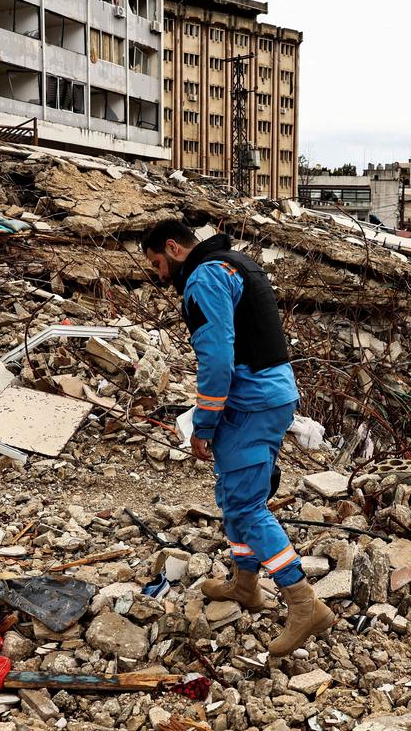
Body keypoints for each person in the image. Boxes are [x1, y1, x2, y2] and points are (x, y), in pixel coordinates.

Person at [141, 220, 334, 656]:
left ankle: (304, 603)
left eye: (157, 263)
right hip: (267, 394)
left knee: (245, 505)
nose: (159, 275)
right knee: (235, 495)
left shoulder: (205, 276)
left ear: (172, 248)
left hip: (250, 401)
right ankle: (246, 583)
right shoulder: (236, 263)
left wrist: (204, 423)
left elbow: (217, 357)